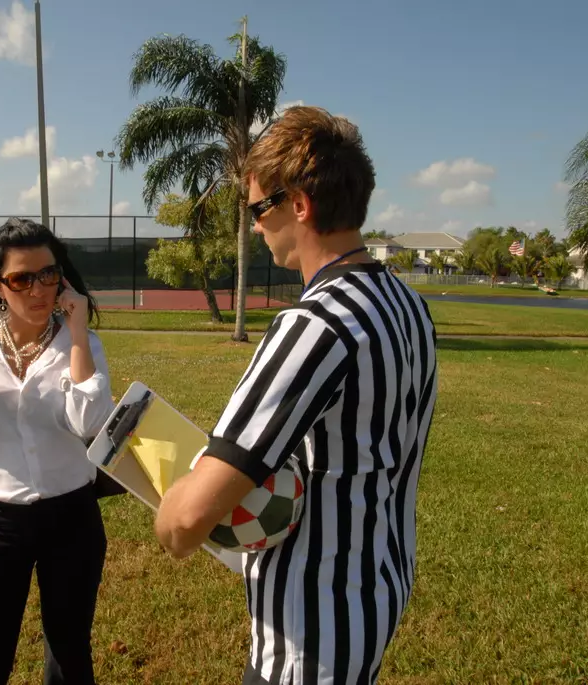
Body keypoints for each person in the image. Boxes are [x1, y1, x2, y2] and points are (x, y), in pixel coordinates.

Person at [153, 106, 438, 685]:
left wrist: (167, 509)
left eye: (259, 209)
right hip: (375, 594)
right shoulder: (407, 305)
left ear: (300, 205)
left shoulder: (316, 323)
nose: (257, 227)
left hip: (309, 635)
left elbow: (188, 520)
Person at [0, 218, 116, 685]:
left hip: (72, 518)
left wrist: (77, 332)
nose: (38, 289)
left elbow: (91, 425)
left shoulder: (81, 344)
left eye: (48, 275)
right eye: (21, 279)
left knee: (70, 662)